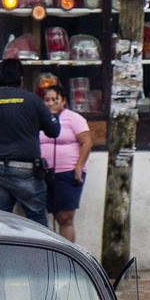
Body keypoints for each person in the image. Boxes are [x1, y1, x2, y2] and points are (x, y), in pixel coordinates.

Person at [0, 58, 59, 224]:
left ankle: (5, 249)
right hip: (27, 169)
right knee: (36, 219)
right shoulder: (32, 100)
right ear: (21, 79)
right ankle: (40, 250)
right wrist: (54, 115)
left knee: (2, 220)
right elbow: (53, 131)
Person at [39, 85, 93, 242]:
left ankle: (69, 255)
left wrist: (78, 167)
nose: (50, 103)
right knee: (55, 214)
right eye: (47, 100)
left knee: (65, 217)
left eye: (55, 99)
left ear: (63, 101)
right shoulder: (42, 119)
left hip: (68, 172)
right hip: (47, 173)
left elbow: (87, 142)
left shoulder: (73, 118)